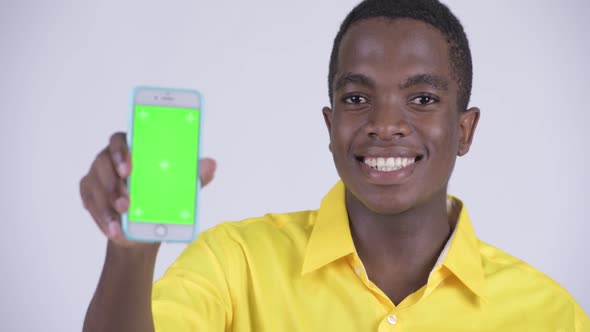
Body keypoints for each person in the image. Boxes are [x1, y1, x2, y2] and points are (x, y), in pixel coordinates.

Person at [80, 0, 589, 331]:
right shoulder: (234, 266)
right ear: (330, 125)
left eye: (423, 98)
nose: (385, 124)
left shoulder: (551, 315)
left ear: (464, 130)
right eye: (356, 97)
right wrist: (131, 250)